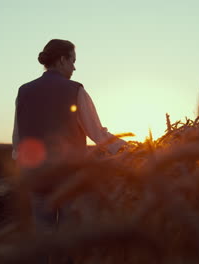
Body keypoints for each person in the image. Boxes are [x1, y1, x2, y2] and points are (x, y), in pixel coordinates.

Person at [11, 39, 125, 262]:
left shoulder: (23, 91)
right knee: (69, 241)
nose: (74, 67)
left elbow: (17, 138)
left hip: (36, 177)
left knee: (43, 240)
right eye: (73, 60)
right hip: (69, 179)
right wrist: (132, 150)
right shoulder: (75, 90)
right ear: (62, 60)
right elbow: (98, 134)